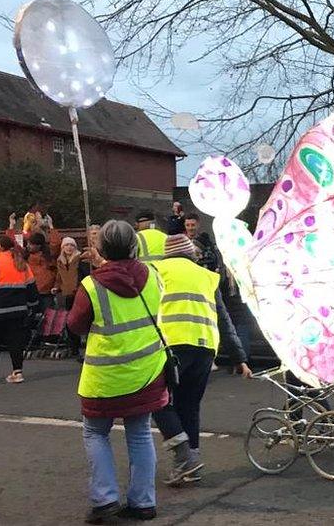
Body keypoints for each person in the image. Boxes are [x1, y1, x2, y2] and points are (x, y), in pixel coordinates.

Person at [66, 220, 170, 523]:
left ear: (101, 248)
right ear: (134, 246)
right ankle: (143, 503)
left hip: (106, 378)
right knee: (139, 434)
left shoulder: (91, 285)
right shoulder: (153, 276)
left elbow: (75, 325)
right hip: (147, 371)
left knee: (96, 433)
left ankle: (105, 500)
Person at [151, 234, 251, 486]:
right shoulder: (207, 276)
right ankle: (191, 462)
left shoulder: (157, 270)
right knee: (189, 404)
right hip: (206, 347)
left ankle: (184, 456)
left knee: (157, 399)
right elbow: (223, 317)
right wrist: (240, 357)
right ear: (190, 254)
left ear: (167, 254)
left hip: (172, 344)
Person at [0, 236, 37, 384]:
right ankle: (17, 372)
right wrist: (32, 306)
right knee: (15, 342)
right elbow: (31, 288)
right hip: (18, 310)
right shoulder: (22, 264)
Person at [26, 231, 57, 312]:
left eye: (30, 244)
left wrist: (51, 228)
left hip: (46, 293)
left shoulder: (48, 256)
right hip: (32, 293)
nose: (28, 246)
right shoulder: (26, 256)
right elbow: (14, 247)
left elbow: (56, 244)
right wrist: (11, 227)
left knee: (48, 317)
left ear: (38, 245)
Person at [54, 237, 88, 309]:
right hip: (65, 293)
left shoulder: (80, 258)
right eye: (66, 245)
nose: (69, 247)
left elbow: (85, 274)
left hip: (78, 292)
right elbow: (59, 276)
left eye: (71, 245)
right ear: (63, 247)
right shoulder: (60, 261)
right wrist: (56, 287)